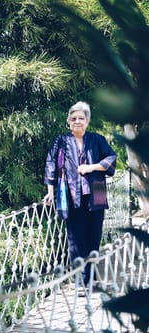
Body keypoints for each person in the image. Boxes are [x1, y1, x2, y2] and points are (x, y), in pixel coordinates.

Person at [44, 101, 117, 286]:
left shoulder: (97, 140)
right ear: (69, 121)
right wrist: (50, 192)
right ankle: (81, 282)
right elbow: (51, 165)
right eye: (73, 118)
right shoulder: (60, 142)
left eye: (81, 118)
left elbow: (111, 158)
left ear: (87, 121)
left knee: (94, 236)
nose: (77, 121)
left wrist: (91, 167)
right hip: (70, 196)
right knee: (75, 239)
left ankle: (91, 279)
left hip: (96, 194)